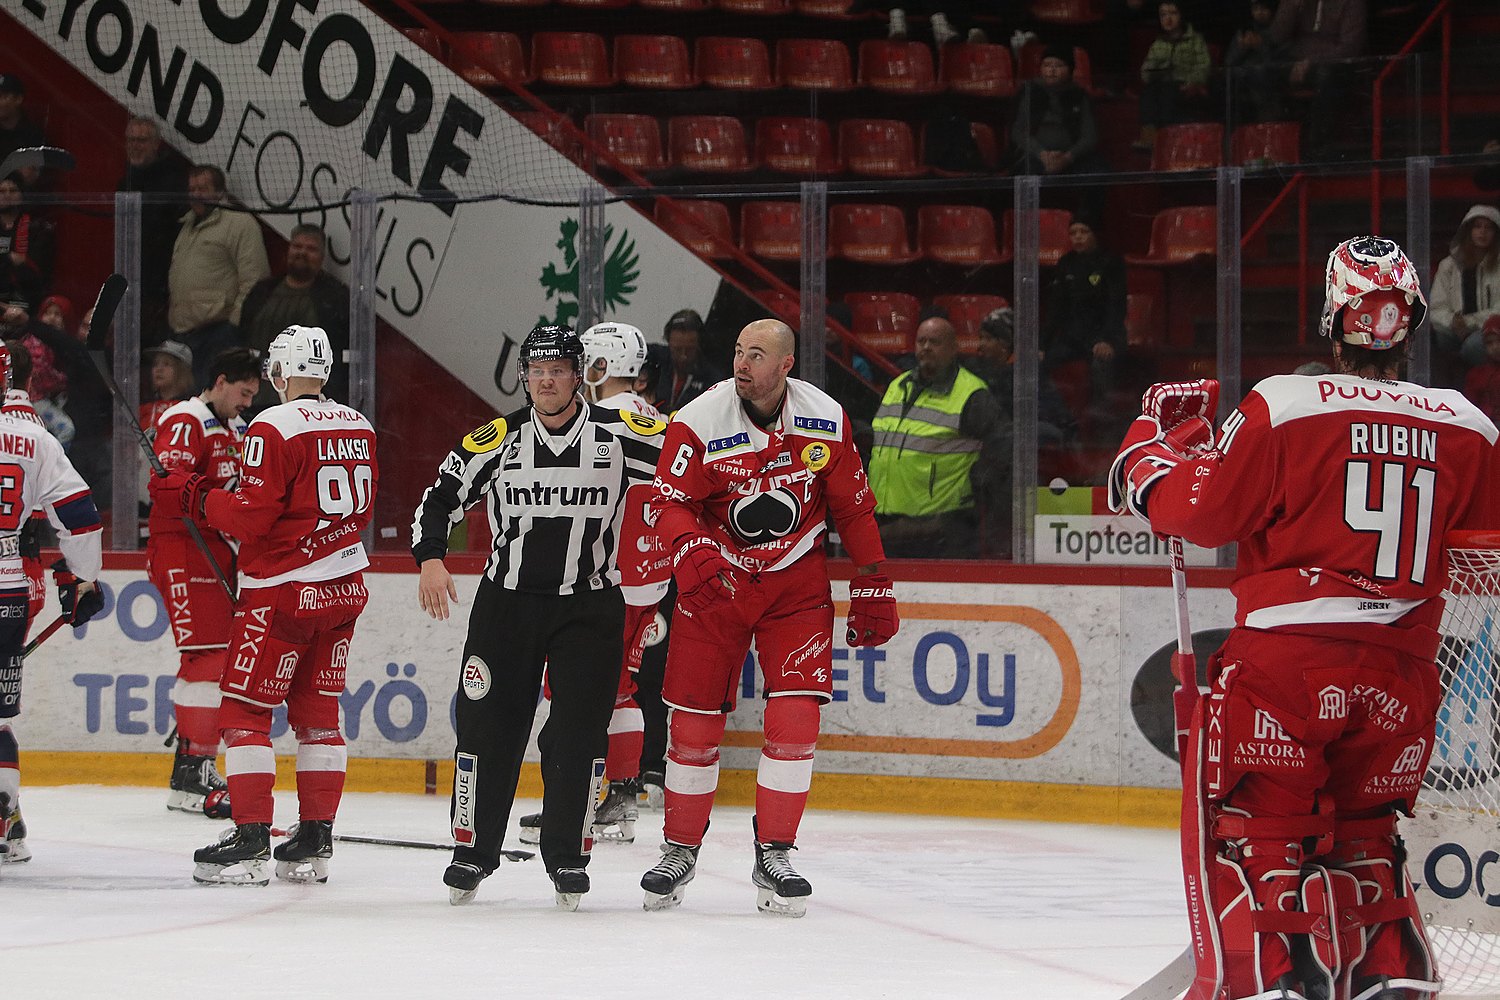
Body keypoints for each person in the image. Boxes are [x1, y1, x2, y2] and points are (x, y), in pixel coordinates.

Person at [1108, 236, 1499, 1000]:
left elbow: (1204, 514)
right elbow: (1480, 557)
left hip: (1286, 671)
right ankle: (1393, 978)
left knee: (1265, 844)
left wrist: (1150, 448)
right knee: (1367, 839)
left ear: (1332, 318)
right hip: (1406, 676)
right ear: (1412, 321)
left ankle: (1280, 984)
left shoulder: (1287, 401)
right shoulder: (1470, 424)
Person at [637, 318, 899, 917]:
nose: (742, 364)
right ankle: (679, 849)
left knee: (797, 718)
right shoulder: (697, 420)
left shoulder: (826, 418)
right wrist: (689, 550)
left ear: (786, 366)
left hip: (797, 583)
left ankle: (775, 852)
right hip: (717, 582)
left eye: (756, 355)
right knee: (694, 726)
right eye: (737, 352)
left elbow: (852, 507)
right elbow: (668, 502)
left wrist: (874, 576)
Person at [412, 324, 666, 910]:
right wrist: (430, 558)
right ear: (524, 376)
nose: (545, 379)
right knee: (486, 730)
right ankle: (472, 853)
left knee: (578, 735)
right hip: (508, 605)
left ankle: (568, 859)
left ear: (581, 375)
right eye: (535, 369)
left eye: (557, 369)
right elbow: (439, 498)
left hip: (590, 606)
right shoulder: (497, 438)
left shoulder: (622, 434)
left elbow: (691, 466)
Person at [150, 325, 377, 887]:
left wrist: (193, 495)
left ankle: (251, 839)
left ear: (279, 371)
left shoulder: (272, 425)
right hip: (344, 587)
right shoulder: (360, 424)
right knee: (320, 718)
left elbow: (251, 516)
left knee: (245, 715)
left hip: (282, 593)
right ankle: (314, 839)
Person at [517, 321, 672, 846]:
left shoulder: (598, 419)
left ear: (598, 368)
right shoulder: (659, 417)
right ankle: (621, 798)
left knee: (579, 693)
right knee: (623, 689)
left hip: (605, 577)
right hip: (651, 578)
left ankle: (582, 799)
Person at [0, 340, 107, 865]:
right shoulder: (35, 438)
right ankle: (5, 815)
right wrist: (82, 579)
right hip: (12, 588)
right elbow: (80, 517)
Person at [147, 348, 260, 819]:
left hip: (215, 551)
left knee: (220, 655)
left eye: (253, 396)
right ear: (219, 380)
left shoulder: (232, 427)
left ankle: (191, 763)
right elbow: (165, 487)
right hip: (182, 549)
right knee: (206, 656)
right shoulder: (185, 419)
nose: (247, 403)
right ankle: (192, 771)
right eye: (243, 392)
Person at [867, 316, 1001, 559]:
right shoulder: (898, 384)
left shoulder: (972, 394)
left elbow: (1000, 450)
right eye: (921, 341)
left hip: (940, 529)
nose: (926, 347)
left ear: (953, 348)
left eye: (935, 342)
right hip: (887, 523)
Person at [166, 165, 269, 389]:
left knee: (213, 400)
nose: (195, 194)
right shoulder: (186, 226)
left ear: (219, 191)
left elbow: (256, 280)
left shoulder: (240, 224)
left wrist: (233, 325)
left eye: (202, 188)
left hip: (217, 334)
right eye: (192, 188)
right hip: (183, 335)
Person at [239, 224, 350, 412]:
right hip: (256, 399)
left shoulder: (336, 298)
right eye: (297, 246)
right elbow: (240, 340)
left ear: (322, 257)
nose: (302, 253)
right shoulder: (262, 292)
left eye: (311, 249)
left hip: (308, 405)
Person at [1043, 215, 1128, 440]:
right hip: (1073, 338)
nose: (1078, 237)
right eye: (1073, 233)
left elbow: (1116, 305)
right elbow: (1056, 309)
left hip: (1104, 336)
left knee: (1101, 365)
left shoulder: (1111, 262)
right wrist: (1043, 345)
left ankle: (1104, 429)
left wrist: (1108, 340)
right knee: (1041, 364)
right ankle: (1058, 421)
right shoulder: (1066, 264)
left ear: (1094, 234)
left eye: (1083, 232)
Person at [1266, 0, 1367, 158]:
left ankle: (1319, 146)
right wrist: (1290, 7)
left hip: (1333, 64)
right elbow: (1275, 38)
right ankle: (1272, 143)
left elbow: (1350, 46)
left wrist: (1312, 62)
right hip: (1295, 61)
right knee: (1262, 71)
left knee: (1326, 76)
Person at [118, 116, 188, 340]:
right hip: (130, 282)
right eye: (131, 140)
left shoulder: (173, 183)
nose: (134, 146)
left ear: (156, 144)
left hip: (162, 287)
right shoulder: (125, 183)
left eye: (141, 140)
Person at [1009, 44, 1107, 179]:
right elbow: (1018, 131)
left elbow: (1089, 137)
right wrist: (1042, 154)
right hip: (1034, 155)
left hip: (1072, 157)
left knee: (1097, 171)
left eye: (1059, 66)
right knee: (1025, 171)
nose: (1052, 70)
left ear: (1070, 70)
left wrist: (1067, 157)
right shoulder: (1030, 92)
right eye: (1047, 65)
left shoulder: (1079, 95)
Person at [1429, 204, 1500, 378]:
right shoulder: (1448, 266)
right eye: (1477, 226)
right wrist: (1453, 321)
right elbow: (1436, 307)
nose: (1482, 232)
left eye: (1488, 228)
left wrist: (1468, 323)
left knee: (1474, 346)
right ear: (1468, 230)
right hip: (1454, 330)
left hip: (1490, 329)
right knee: (1433, 339)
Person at [1134, 2, 1214, 151]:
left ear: (1181, 15)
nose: (1168, 19)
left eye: (1173, 13)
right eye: (1163, 15)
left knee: (1168, 93)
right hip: (1162, 86)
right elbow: (1145, 72)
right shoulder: (1158, 43)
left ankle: (1168, 138)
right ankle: (1149, 136)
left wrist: (1191, 82)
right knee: (1148, 92)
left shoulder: (1195, 39)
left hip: (1186, 86)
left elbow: (1204, 67)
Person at [0, 172, 56, 334]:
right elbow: (18, 260)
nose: (7, 195)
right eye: (2, 191)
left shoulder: (37, 227)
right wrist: (10, 258)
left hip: (28, 305)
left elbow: (38, 270)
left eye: (13, 190)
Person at [1225, 0, 1294, 126]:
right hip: (1244, 83)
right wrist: (1242, 48)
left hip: (1272, 80)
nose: (1259, 13)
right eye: (1256, 9)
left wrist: (1260, 46)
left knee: (1259, 72)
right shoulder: (1245, 31)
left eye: (1263, 9)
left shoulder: (1281, 31)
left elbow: (1282, 61)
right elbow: (1229, 62)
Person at [655, 309, 723, 412]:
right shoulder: (653, 359)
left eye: (690, 349)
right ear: (668, 343)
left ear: (700, 345)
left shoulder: (714, 381)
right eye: (677, 349)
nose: (683, 356)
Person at [137, 340, 196, 435]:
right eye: (155, 364)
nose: (159, 369)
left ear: (182, 371)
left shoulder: (193, 408)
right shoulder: (143, 409)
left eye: (166, 364)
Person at [0, 76, 44, 187]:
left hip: (24, 197)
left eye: (3, 97)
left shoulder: (33, 134)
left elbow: (37, 173)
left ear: (18, 99)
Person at [1463, 317, 1500, 423]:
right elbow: (1469, 410)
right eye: (1490, 343)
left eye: (1499, 341)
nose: (1495, 347)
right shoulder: (1476, 375)